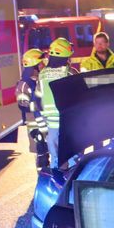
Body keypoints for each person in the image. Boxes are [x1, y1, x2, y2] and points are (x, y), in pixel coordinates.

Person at [33, 38, 75, 171]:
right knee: (73, 163)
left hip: (51, 126)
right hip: (68, 125)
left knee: (56, 162)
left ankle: (56, 187)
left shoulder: (42, 75)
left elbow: (38, 100)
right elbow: (79, 96)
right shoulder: (69, 73)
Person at [16, 48, 44, 129]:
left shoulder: (38, 79)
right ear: (35, 65)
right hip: (35, 126)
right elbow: (23, 106)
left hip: (44, 123)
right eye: (41, 62)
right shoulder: (24, 84)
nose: (44, 65)